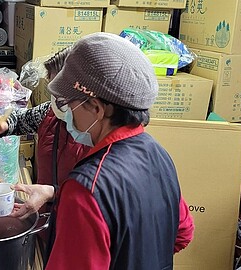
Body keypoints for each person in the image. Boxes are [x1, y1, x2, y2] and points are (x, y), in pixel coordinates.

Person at [10, 33, 194, 269]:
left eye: (69, 105)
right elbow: (183, 233)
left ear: (95, 108)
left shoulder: (86, 189)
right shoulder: (158, 155)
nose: (66, 115)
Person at [0, 47, 91, 260]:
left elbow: (97, 191)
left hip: (81, 228)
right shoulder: (49, 112)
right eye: (53, 94)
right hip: (46, 221)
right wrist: (3, 123)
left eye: (61, 96)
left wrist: (53, 192)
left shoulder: (96, 132)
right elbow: (20, 120)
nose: (55, 102)